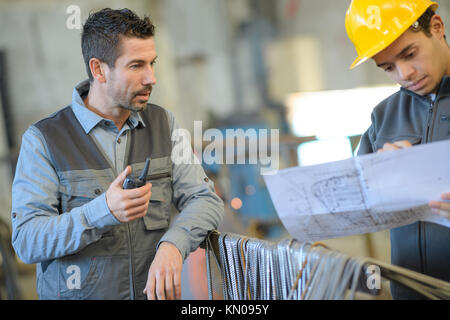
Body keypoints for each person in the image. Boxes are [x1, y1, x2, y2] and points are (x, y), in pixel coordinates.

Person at [10, 8, 224, 300]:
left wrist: (174, 244)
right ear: (98, 70)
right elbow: (27, 241)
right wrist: (101, 212)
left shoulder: (164, 125)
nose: (151, 78)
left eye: (152, 63)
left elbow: (205, 199)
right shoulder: (44, 140)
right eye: (137, 65)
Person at [346, 0, 450, 299]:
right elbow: (358, 200)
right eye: (388, 67)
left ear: (437, 27)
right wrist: (381, 181)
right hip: (410, 291)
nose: (404, 74)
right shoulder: (385, 116)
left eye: (410, 54)